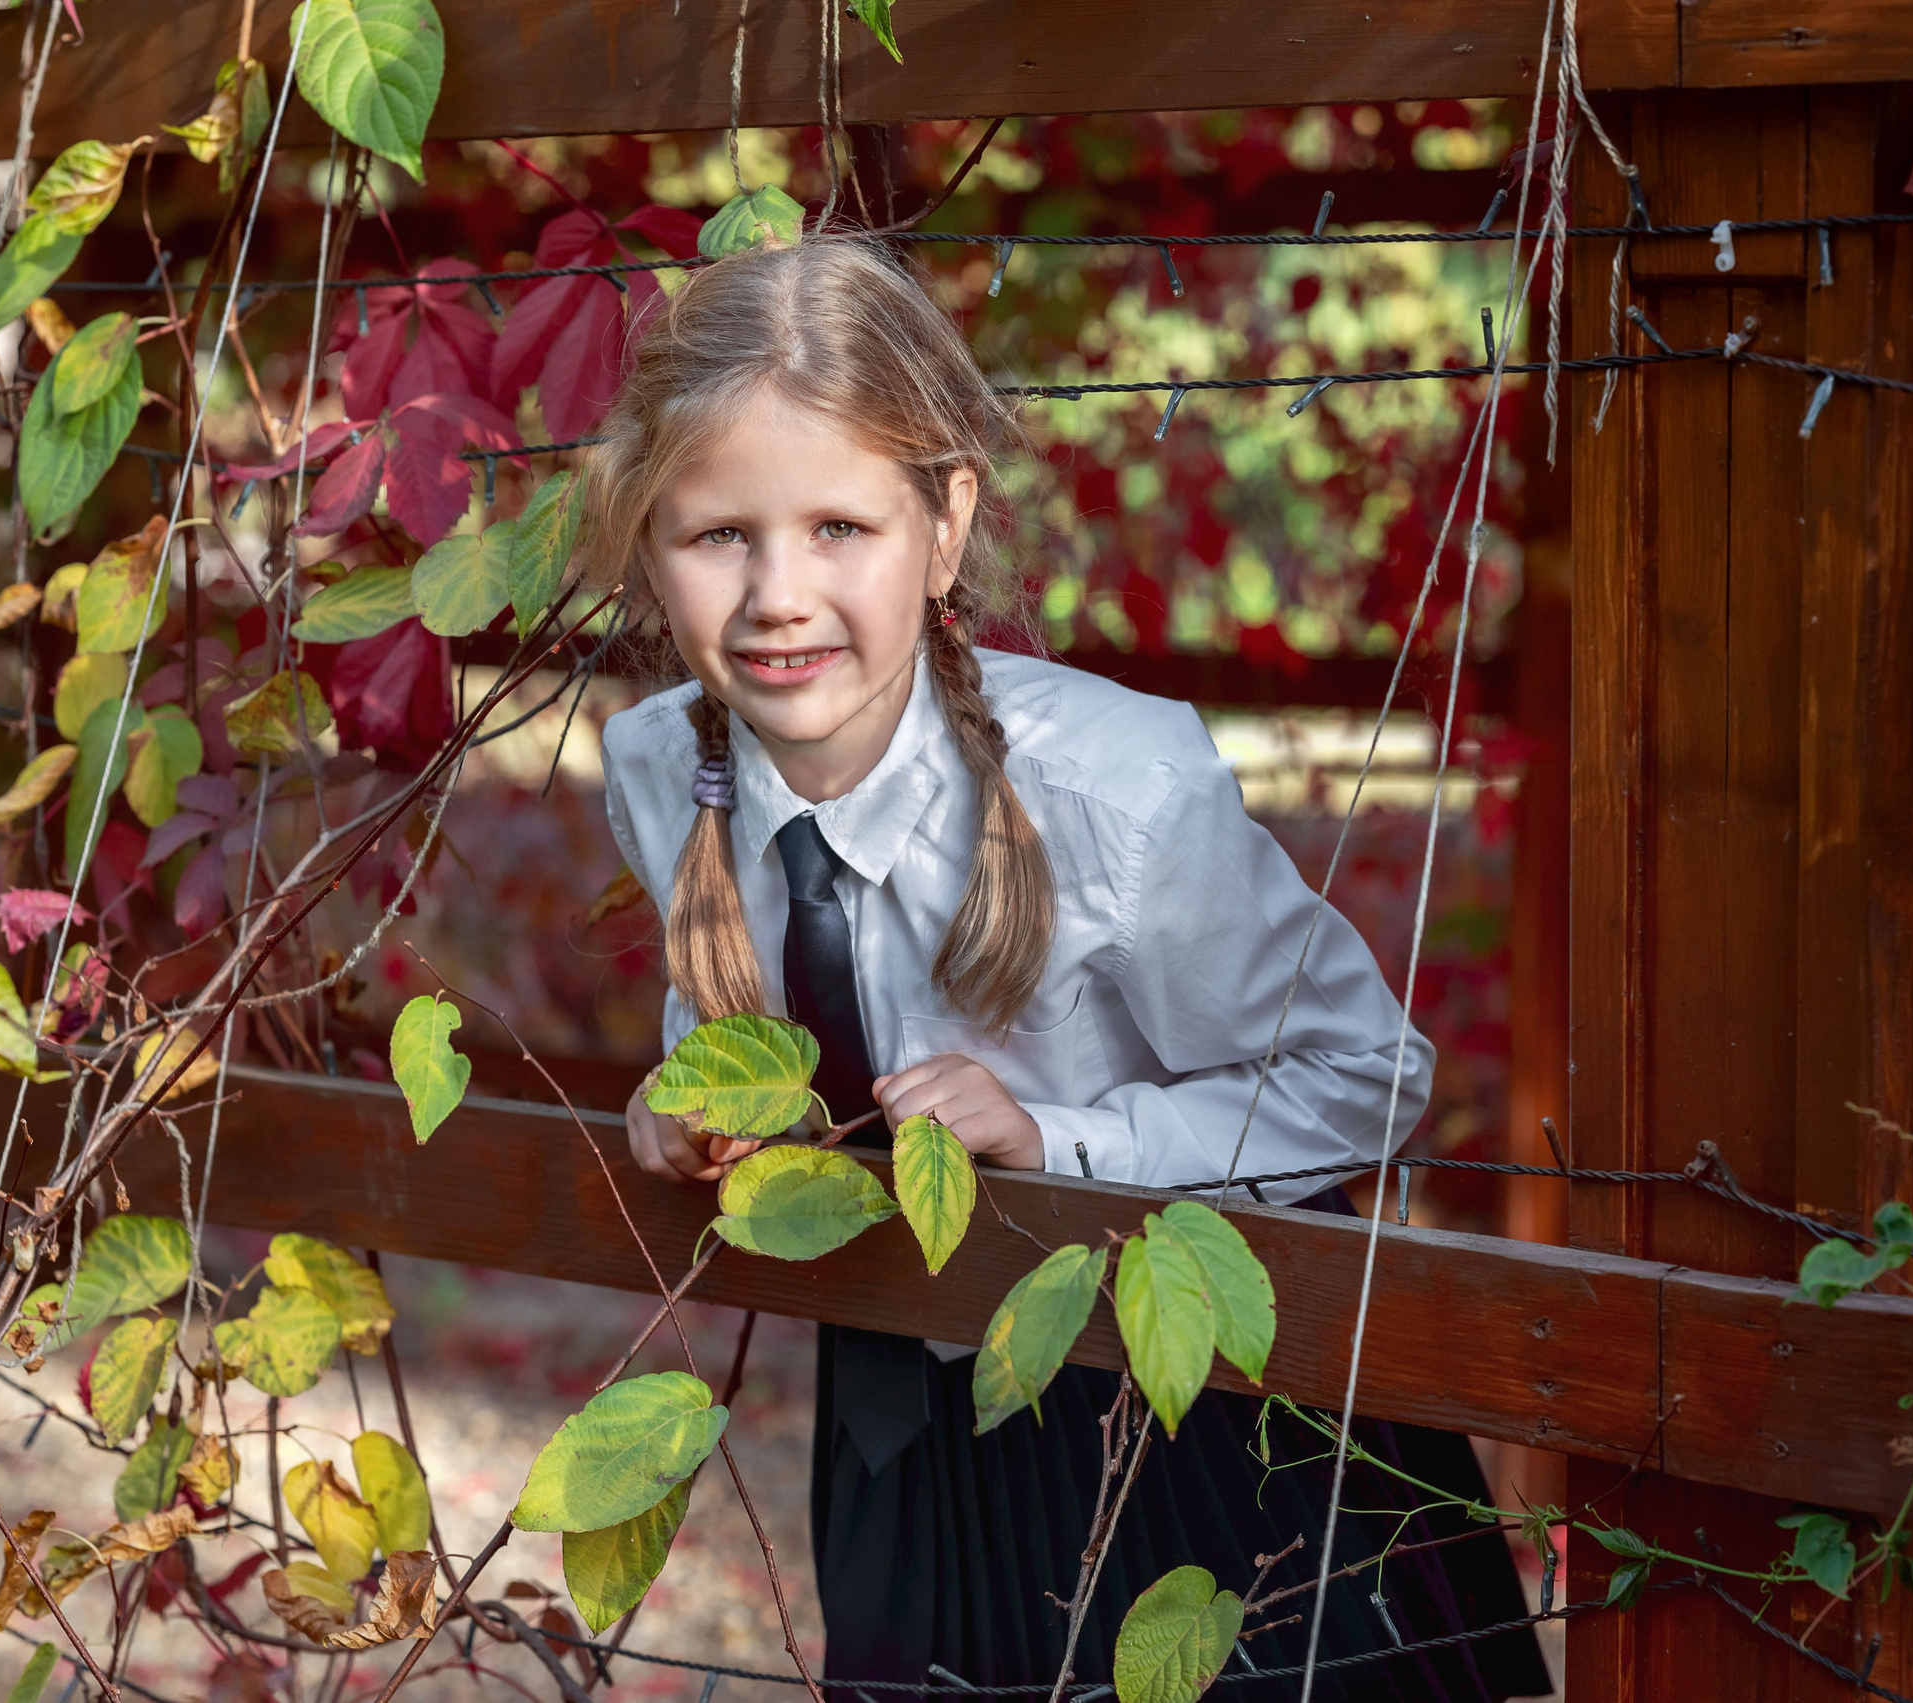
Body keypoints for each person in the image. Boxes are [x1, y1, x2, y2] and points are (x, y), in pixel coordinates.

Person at [592, 236, 1549, 1700]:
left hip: (1192, 1417)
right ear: (648, 540)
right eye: (720, 534)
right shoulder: (662, 764)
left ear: (946, 523)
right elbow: (728, 985)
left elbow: (1367, 1077)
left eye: (840, 526)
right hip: (904, 1415)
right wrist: (685, 1097)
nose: (779, 593)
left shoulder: (1120, 792)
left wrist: (1057, 1142)